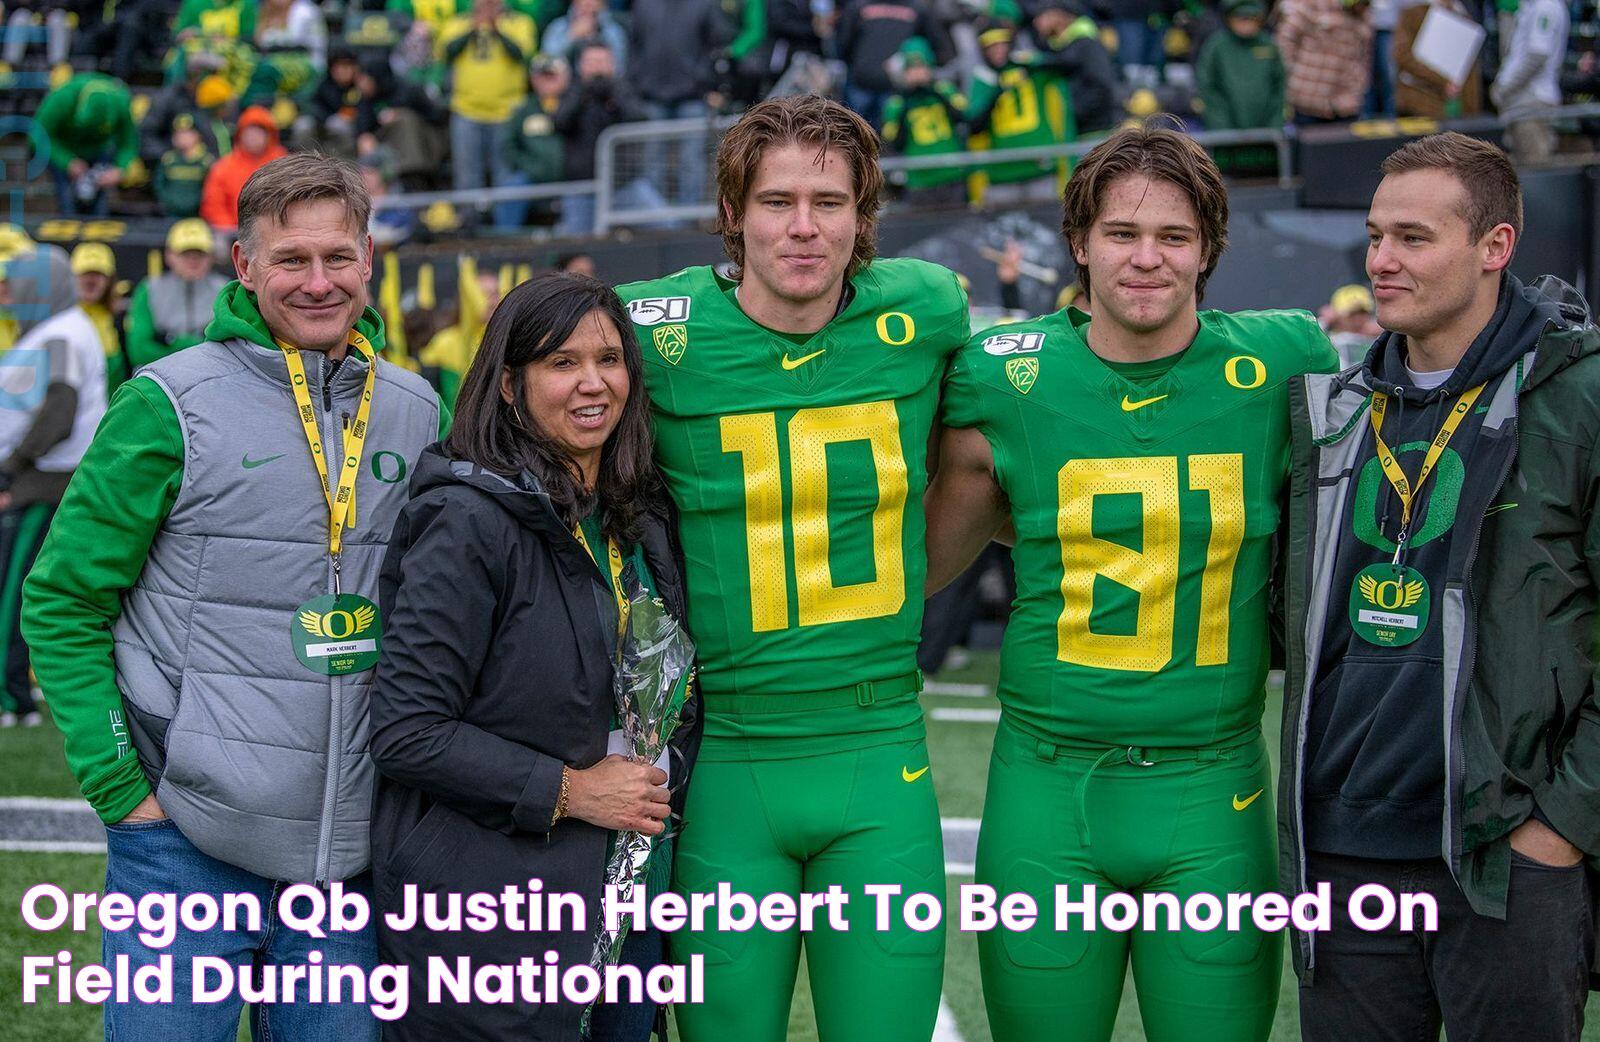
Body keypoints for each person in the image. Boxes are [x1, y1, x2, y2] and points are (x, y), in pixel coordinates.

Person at [924, 120, 1338, 1042]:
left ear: (1210, 250)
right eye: (1121, 233)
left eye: (1174, 237)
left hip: (1215, 786)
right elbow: (924, 563)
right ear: (1078, 242)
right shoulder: (1006, 375)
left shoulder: (1284, 361)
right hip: (1045, 787)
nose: (1146, 259)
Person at [22, 153, 448, 1040]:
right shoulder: (167, 404)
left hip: (349, 862)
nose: (319, 281)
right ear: (245, 267)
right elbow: (63, 601)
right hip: (183, 842)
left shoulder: (415, 408)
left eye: (338, 257)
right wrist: (124, 794)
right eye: (291, 259)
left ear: (369, 258)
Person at [617, 94, 971, 1042]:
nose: (803, 226)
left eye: (829, 201)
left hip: (878, 741)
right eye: (777, 201)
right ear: (733, 213)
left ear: (865, 218)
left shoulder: (926, 310)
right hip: (726, 752)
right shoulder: (653, 331)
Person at [1281, 131, 1600, 1042]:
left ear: (1494, 247)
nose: (1382, 260)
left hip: (1505, 858)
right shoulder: (1334, 408)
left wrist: (1561, 826)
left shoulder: (1578, 398)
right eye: (1376, 236)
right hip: (1341, 863)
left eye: (1414, 238)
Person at [370, 271, 700, 1041]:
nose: (594, 383)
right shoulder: (464, 519)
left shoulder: (637, 514)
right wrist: (573, 792)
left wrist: (661, 774)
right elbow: (407, 730)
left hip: (623, 901)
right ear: (510, 386)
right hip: (489, 913)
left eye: (610, 359)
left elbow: (664, 694)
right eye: (562, 363)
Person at [0, 245, 107, 729]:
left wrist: (12, 470)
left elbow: (59, 413)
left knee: (12, 593)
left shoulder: (62, 334)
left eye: (16, 284)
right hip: (38, 480)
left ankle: (9, 696)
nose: (8, 294)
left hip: (41, 485)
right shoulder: (58, 330)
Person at [438, 0, 539, 229]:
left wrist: (495, 28)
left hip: (507, 112)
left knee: (504, 174)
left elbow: (521, 54)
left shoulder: (520, 22)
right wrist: (474, 27)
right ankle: (468, 226)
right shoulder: (459, 22)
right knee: (467, 175)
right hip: (466, 109)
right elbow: (447, 53)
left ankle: (503, 227)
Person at [125, 220, 229, 372]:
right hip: (160, 376)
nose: (193, 259)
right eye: (185, 253)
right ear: (169, 255)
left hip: (212, 375)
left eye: (200, 253)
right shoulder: (150, 289)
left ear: (211, 256)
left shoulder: (226, 290)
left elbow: (236, 346)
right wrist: (183, 352)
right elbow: (138, 351)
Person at [35, 71, 140, 216]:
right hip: (64, 148)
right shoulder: (62, 98)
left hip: (99, 150)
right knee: (67, 201)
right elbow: (37, 136)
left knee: (99, 206)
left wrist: (120, 169)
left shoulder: (120, 101)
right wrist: (67, 162)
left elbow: (128, 143)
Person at [1490, 0, 1567, 164]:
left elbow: (1537, 56)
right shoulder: (1532, 5)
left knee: (1535, 169)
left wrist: (1505, 88)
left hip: (1531, 102)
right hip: (1522, 102)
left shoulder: (1546, 6)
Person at [1275, 0, 1372, 124]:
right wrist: (1293, 77)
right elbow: (1285, 41)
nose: (1364, 7)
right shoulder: (1312, 5)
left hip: (1345, 105)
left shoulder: (1364, 16)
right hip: (1307, 102)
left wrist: (1358, 86)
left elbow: (1365, 57)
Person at [1196, 0, 1285, 131]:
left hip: (1265, 133)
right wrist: (1221, 126)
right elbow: (1207, 86)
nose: (1246, 23)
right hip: (1225, 132)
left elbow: (1279, 85)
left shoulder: (1268, 44)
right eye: (1241, 17)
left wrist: (1273, 125)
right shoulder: (1217, 46)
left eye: (1251, 17)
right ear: (1229, 18)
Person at [200, 105, 288, 234]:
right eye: (249, 132)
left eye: (259, 132)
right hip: (233, 233)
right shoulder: (224, 167)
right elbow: (213, 204)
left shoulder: (283, 164)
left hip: (277, 231)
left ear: (269, 135)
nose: (253, 137)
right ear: (240, 135)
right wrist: (233, 229)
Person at [68, 242, 128, 391]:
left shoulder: (121, 318)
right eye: (84, 274)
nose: (91, 281)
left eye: (98, 274)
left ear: (110, 280)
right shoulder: (60, 317)